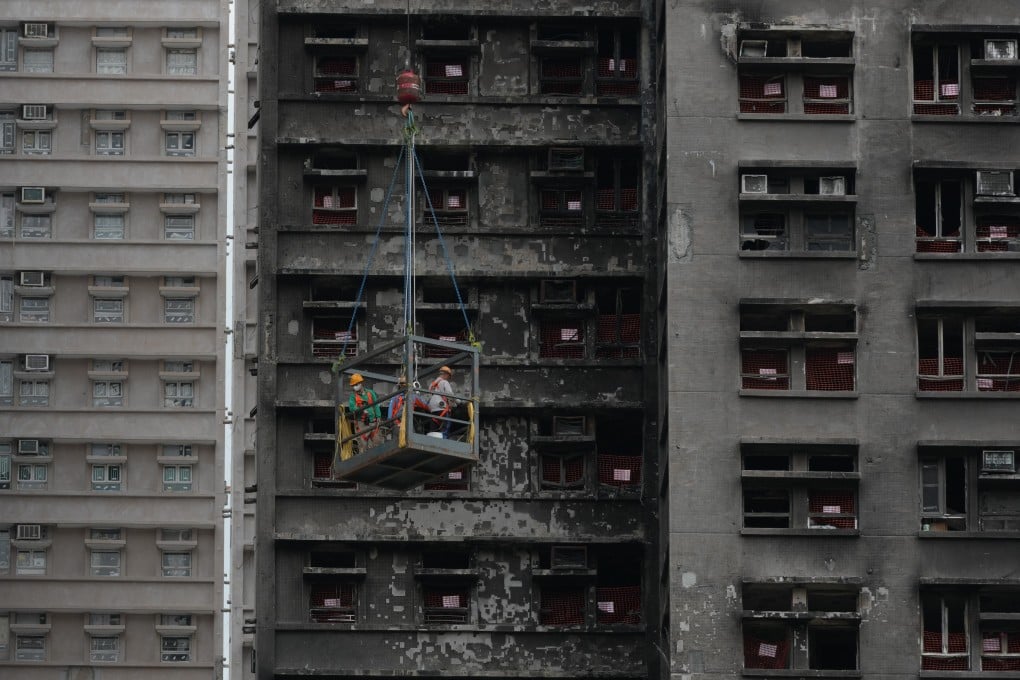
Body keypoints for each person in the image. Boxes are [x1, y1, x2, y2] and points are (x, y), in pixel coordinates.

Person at [348, 373, 381, 448]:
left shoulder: (370, 393)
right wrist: (361, 409)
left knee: (377, 442)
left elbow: (376, 405)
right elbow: (351, 407)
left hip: (373, 421)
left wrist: (378, 416)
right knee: (363, 445)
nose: (355, 386)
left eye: (356, 384)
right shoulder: (353, 397)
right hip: (361, 423)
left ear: (361, 383)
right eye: (353, 385)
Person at [427, 366, 458, 436]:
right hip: (441, 407)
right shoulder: (444, 382)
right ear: (446, 374)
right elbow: (449, 394)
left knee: (434, 422)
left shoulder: (432, 384)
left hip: (432, 408)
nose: (448, 378)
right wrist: (457, 401)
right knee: (447, 423)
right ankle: (444, 436)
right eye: (448, 376)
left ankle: (431, 436)